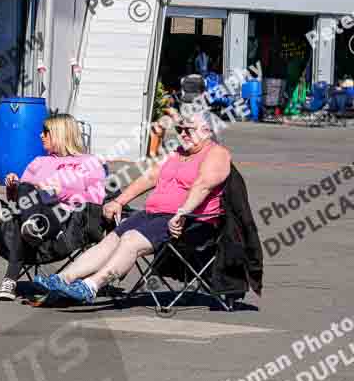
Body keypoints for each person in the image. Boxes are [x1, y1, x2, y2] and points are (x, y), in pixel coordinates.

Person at [35, 111, 231, 304]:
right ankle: (62, 279)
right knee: (110, 240)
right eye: (180, 130)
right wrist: (119, 201)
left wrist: (182, 212)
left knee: (130, 240)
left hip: (190, 220)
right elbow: (149, 178)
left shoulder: (217, 154)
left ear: (206, 131)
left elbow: (203, 185)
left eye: (189, 130)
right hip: (154, 214)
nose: (183, 134)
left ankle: (91, 286)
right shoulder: (176, 153)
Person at [0, 114, 106, 301]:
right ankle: (33, 225)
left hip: (67, 218)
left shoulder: (90, 162)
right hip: (33, 217)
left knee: (37, 205)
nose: (41, 136)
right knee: (25, 189)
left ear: (60, 134)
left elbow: (97, 198)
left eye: (46, 132)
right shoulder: (39, 162)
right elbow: (20, 200)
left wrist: (58, 191)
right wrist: (13, 187)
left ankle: (10, 278)